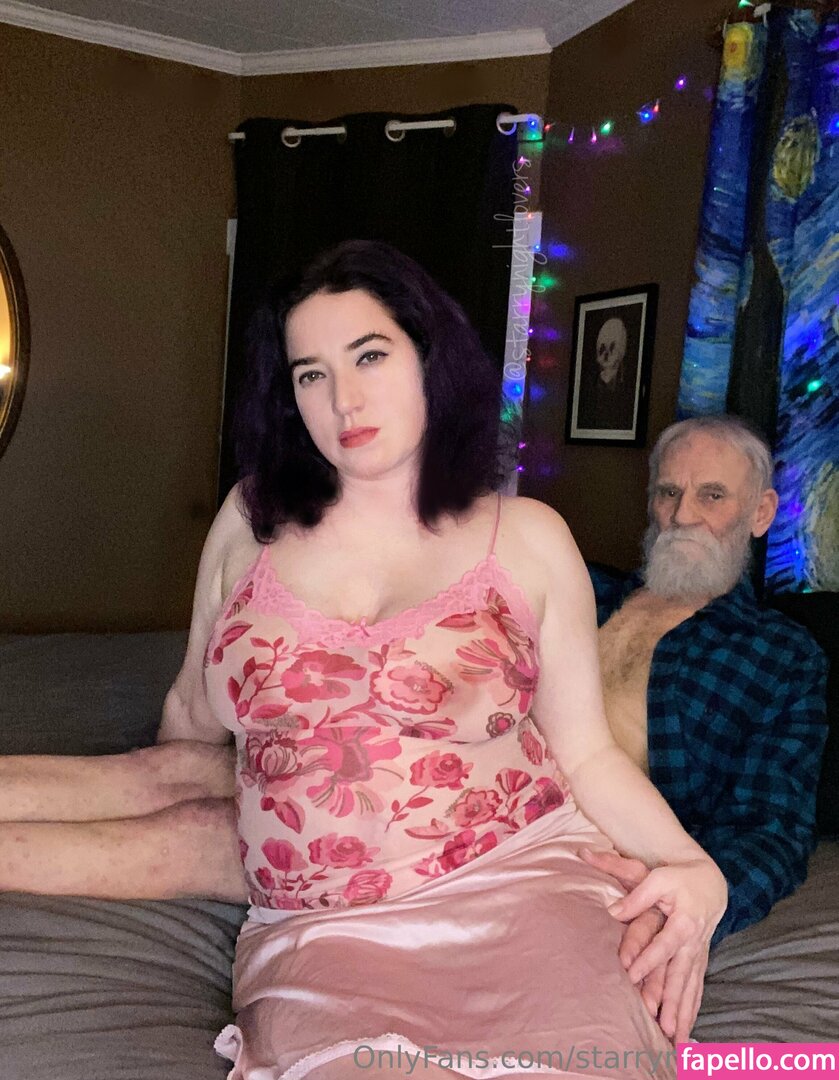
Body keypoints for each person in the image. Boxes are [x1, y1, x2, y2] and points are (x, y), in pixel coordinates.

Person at [1, 241, 726, 1079]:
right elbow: (192, 718)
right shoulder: (250, 522)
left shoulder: (528, 538)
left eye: (370, 356)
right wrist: (209, 805)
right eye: (310, 373)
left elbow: (587, 753)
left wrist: (694, 869)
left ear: (430, 360)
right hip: (327, 934)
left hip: (523, 888)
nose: (342, 399)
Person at [582, 416, 828, 966]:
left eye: (712, 495)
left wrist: (689, 909)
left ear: (760, 513)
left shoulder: (780, 655)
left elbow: (773, 830)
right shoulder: (582, 592)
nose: (682, 516)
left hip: (613, 879)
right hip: (487, 834)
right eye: (668, 492)